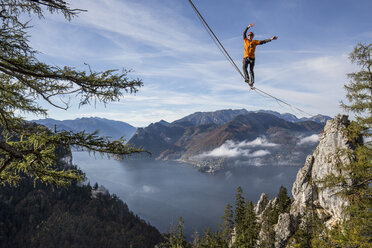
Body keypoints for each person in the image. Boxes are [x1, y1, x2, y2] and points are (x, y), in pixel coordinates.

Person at [243, 23, 278, 87]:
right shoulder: (245, 40)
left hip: (252, 58)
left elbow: (263, 42)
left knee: (251, 70)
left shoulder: (254, 42)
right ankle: (247, 78)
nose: (250, 36)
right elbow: (244, 33)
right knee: (244, 67)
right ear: (248, 36)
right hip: (246, 57)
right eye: (249, 35)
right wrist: (248, 27)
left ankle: (252, 82)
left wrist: (270, 39)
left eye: (251, 35)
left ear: (253, 36)